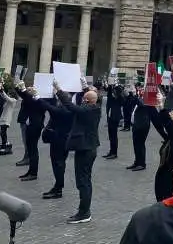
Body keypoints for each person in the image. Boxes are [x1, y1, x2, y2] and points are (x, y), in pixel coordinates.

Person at [53, 80, 101, 223]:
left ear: (87, 101)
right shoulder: (95, 107)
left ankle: (84, 212)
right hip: (87, 148)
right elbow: (88, 98)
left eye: (84, 99)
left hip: (85, 149)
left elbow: (70, 105)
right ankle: (84, 210)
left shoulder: (87, 110)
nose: (83, 100)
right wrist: (85, 86)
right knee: (85, 180)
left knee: (83, 182)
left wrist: (59, 90)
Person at [37, 93, 74, 200]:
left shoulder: (62, 111)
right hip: (65, 140)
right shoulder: (71, 109)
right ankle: (58, 186)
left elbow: (47, 106)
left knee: (57, 164)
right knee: (60, 163)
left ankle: (58, 188)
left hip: (58, 141)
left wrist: (37, 96)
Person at [15, 82, 45, 181]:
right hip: (30, 125)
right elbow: (25, 97)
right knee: (30, 148)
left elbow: (29, 100)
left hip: (35, 127)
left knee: (33, 149)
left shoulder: (40, 100)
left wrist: (24, 89)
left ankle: (33, 173)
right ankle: (31, 171)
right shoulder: (34, 99)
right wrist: (19, 88)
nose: (31, 89)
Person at [127, 87, 152, 172]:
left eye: (142, 91)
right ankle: (137, 162)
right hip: (136, 125)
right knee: (136, 144)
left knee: (140, 144)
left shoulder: (147, 100)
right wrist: (131, 94)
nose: (140, 91)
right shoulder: (140, 99)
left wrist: (135, 95)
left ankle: (141, 163)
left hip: (142, 126)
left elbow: (141, 104)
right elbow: (130, 102)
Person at [104, 80, 124, 160]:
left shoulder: (119, 99)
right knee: (110, 136)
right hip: (110, 117)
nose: (113, 93)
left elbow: (121, 99)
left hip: (115, 118)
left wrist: (116, 86)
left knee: (114, 136)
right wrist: (110, 84)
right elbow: (108, 91)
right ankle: (111, 151)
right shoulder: (111, 98)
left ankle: (114, 153)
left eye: (114, 92)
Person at [0, 82, 18, 150]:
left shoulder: (13, 100)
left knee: (3, 133)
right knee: (3, 133)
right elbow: (4, 96)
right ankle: (5, 143)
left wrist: (2, 91)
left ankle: (4, 145)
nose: (8, 94)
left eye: (9, 94)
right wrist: (0, 90)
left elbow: (7, 97)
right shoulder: (8, 101)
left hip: (6, 119)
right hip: (4, 118)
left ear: (12, 95)